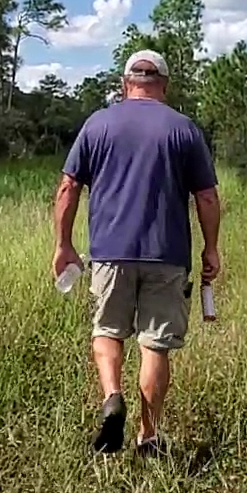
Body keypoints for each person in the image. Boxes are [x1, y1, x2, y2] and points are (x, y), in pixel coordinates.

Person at [53, 48, 223, 456]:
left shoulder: (97, 125)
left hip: (110, 252)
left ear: (125, 83)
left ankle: (113, 397)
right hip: (167, 255)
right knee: (155, 345)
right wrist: (212, 249)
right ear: (163, 85)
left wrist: (63, 245)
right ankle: (149, 435)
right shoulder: (183, 129)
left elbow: (67, 188)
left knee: (107, 332)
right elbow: (207, 197)